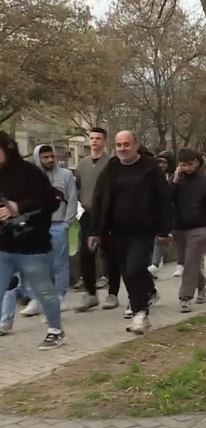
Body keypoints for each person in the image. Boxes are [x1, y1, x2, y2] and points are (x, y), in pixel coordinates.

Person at [87, 131, 173, 332]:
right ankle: (146, 298)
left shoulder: (150, 168)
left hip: (142, 230)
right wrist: (95, 231)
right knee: (128, 271)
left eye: (126, 144)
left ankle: (140, 315)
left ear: (136, 145)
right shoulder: (111, 169)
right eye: (119, 145)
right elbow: (99, 200)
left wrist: (163, 230)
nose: (122, 149)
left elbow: (163, 199)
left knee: (134, 268)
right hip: (115, 231)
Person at [0, 131, 66, 348]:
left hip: (33, 246)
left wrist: (18, 207)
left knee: (44, 291)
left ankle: (55, 330)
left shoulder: (31, 173)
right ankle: (5, 322)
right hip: (4, 246)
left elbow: (51, 201)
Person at [17, 145, 77, 317]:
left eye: (52, 156)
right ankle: (36, 299)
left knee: (60, 263)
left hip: (58, 225)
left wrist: (67, 223)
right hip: (37, 227)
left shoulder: (65, 175)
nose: (50, 160)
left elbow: (72, 199)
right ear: (38, 159)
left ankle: (60, 296)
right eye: (45, 157)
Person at [73, 128, 118, 311]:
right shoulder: (82, 165)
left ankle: (112, 293)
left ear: (105, 141)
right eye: (92, 138)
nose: (94, 141)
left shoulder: (112, 163)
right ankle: (91, 293)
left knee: (110, 255)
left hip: (109, 215)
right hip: (88, 214)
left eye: (98, 138)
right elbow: (77, 186)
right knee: (85, 254)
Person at [172, 149, 206, 313]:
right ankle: (202, 286)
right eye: (183, 165)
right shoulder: (176, 181)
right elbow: (165, 199)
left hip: (198, 227)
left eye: (190, 164)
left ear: (196, 163)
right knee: (190, 261)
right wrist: (174, 182)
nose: (187, 168)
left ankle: (185, 296)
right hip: (179, 227)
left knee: (190, 261)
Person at [149, 150, 176, 279]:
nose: (161, 165)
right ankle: (153, 264)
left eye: (164, 162)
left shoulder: (174, 176)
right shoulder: (154, 175)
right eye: (159, 162)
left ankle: (156, 264)